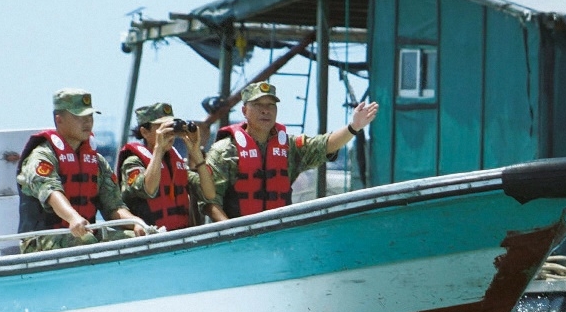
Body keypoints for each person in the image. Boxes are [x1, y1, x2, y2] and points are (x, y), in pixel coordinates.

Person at [204, 81, 379, 221]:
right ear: (244, 110)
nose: (265, 110)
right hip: (238, 237)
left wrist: (354, 127)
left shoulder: (289, 147)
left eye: (271, 105)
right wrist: (230, 231)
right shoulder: (224, 151)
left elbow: (323, 145)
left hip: (279, 234)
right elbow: (210, 201)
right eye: (258, 105)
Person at [17, 88, 148, 251]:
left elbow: (113, 207)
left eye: (90, 116)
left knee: (140, 237)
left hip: (85, 234)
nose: (87, 122)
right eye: (79, 116)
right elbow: (50, 192)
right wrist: (73, 217)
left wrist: (135, 222)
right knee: (86, 241)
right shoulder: (42, 156)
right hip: (41, 240)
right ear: (59, 119)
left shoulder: (96, 161)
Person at [116, 102, 218, 230]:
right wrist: (158, 149)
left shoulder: (175, 163)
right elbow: (149, 190)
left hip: (181, 234)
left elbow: (209, 194)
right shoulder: (133, 162)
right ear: (144, 132)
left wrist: (196, 153)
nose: (170, 133)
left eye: (171, 127)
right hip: (151, 235)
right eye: (163, 128)